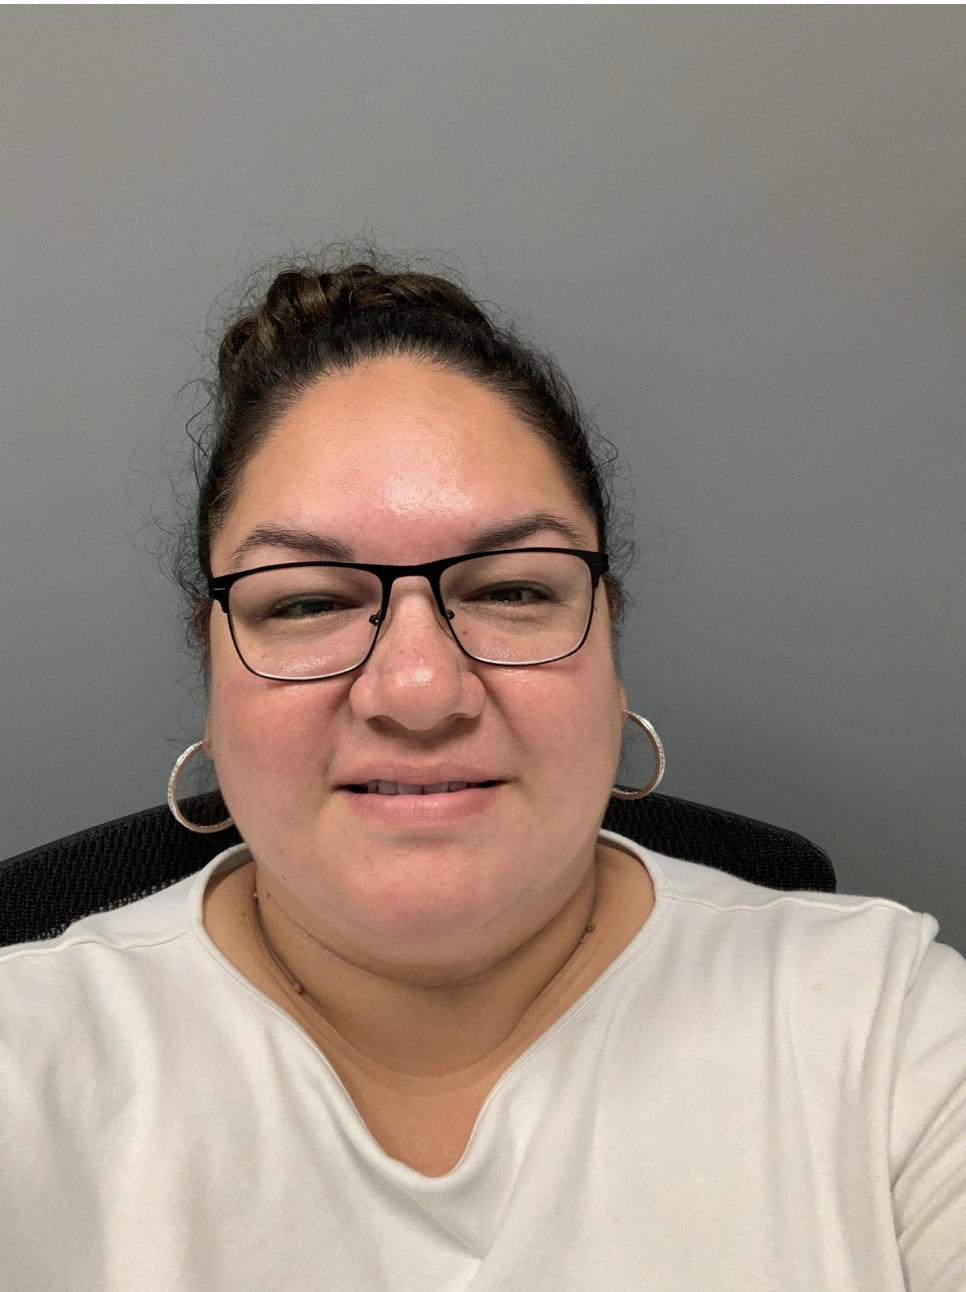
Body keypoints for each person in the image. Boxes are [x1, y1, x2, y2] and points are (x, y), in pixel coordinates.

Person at [1, 256, 964, 1292]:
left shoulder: (892, 1034)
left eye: (510, 588)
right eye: (306, 601)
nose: (418, 690)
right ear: (213, 668)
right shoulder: (29, 1072)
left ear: (611, 641)